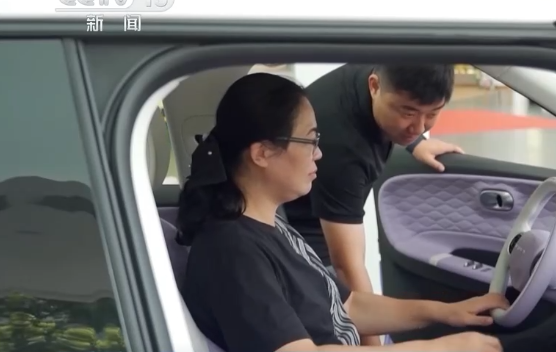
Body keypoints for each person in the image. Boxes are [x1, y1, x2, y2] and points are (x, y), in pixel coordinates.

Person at [176, 73, 507, 352]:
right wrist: (441, 348)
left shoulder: (270, 225)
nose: (319, 153)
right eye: (310, 140)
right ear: (262, 153)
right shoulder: (233, 251)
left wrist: (446, 313)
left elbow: (348, 306)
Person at [282, 64, 463, 345]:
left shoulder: (385, 64)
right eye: (408, 113)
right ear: (374, 86)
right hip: (300, 233)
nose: (419, 127)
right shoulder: (343, 148)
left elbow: (411, 114)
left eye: (432, 114)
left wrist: (416, 142)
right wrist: (374, 347)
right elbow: (347, 266)